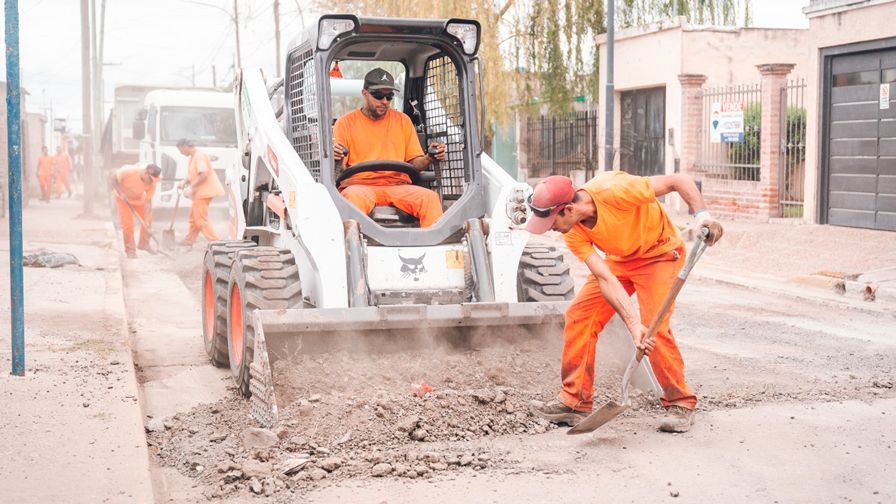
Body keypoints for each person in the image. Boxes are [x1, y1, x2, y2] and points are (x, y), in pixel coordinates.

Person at [526, 171, 724, 433]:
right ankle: (575, 402)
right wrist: (632, 326)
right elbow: (605, 277)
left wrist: (702, 216)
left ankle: (680, 402)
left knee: (655, 326)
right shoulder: (572, 230)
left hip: (661, 254)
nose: (549, 227)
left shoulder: (615, 190)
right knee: (580, 315)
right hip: (619, 261)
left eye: (551, 220)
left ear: (570, 209)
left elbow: (678, 181)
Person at [333, 68, 447, 228]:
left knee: (429, 198)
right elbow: (342, 167)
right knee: (352, 198)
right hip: (359, 186)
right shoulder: (345, 123)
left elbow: (415, 163)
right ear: (364, 93)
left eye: (389, 96)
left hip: (398, 185)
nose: (385, 101)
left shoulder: (403, 121)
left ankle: (433, 248)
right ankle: (353, 248)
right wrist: (336, 156)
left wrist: (429, 157)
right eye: (378, 96)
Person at [177, 139, 224, 246]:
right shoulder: (193, 158)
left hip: (204, 192)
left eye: (180, 150)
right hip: (199, 192)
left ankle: (216, 242)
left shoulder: (199, 156)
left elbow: (203, 174)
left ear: (185, 146)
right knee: (194, 219)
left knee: (200, 219)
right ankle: (188, 241)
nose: (180, 153)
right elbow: (193, 174)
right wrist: (184, 182)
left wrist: (191, 187)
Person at [110, 163, 161, 258]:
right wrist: (120, 192)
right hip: (123, 200)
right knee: (128, 225)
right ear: (146, 173)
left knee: (148, 222)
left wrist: (146, 221)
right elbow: (113, 177)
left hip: (138, 200)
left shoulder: (152, 183)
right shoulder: (129, 171)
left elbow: (148, 202)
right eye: (150, 179)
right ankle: (130, 250)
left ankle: (144, 244)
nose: (151, 182)